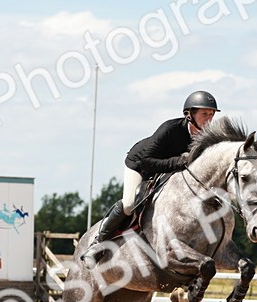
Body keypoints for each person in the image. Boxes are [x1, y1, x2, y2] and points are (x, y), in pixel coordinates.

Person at [82, 90, 218, 265]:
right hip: (141, 165)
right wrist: (178, 162)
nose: (208, 118)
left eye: (211, 114)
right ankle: (97, 243)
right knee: (130, 204)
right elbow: (147, 162)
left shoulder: (208, 138)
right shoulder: (170, 129)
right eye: (204, 114)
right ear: (189, 115)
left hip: (170, 171)